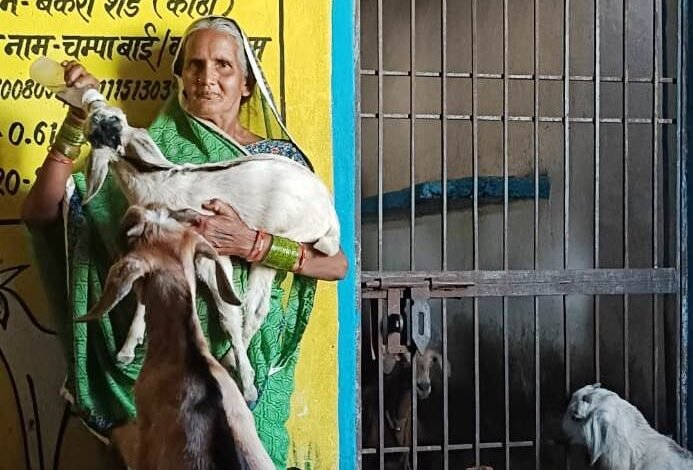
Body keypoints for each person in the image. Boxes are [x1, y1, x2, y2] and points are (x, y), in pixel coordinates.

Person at [22, 15, 347, 468]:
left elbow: (335, 264)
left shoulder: (278, 164)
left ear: (247, 84)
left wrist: (251, 243)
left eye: (223, 65)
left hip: (251, 371)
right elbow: (40, 212)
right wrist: (79, 119)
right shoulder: (146, 158)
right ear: (180, 79)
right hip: (160, 370)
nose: (206, 77)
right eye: (195, 65)